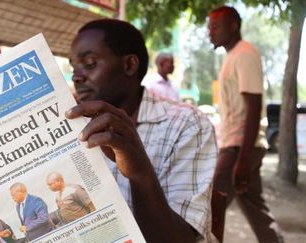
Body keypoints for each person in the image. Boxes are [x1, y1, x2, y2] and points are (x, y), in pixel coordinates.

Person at [66, 19, 218, 242]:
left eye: (89, 64)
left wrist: (139, 173)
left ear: (129, 65)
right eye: (73, 68)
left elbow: (183, 238)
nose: (76, 77)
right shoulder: (72, 127)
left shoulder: (186, 123)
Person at [208, 6, 284, 243]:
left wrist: (242, 159)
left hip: (239, 147)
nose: (211, 32)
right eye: (209, 28)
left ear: (234, 26)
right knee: (254, 207)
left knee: (208, 210)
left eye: (216, 26)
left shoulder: (244, 54)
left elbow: (253, 107)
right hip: (238, 146)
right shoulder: (232, 56)